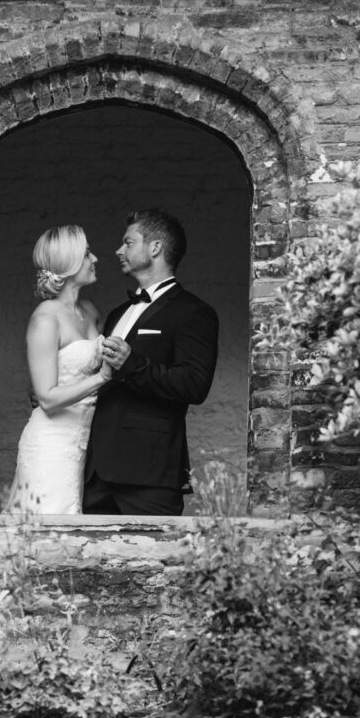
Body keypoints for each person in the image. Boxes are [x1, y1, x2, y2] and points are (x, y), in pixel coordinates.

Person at [84, 208, 219, 516]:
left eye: (128, 242)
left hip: (149, 473)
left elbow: (194, 385)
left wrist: (133, 364)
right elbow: (106, 380)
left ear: (155, 247)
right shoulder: (118, 313)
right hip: (96, 473)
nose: (119, 250)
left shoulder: (193, 312)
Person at [6, 225, 112, 514]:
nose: (95, 259)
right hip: (50, 443)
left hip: (82, 442)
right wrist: (102, 378)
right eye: (87, 253)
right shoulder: (45, 319)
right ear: (69, 264)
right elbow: (47, 399)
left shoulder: (90, 311)